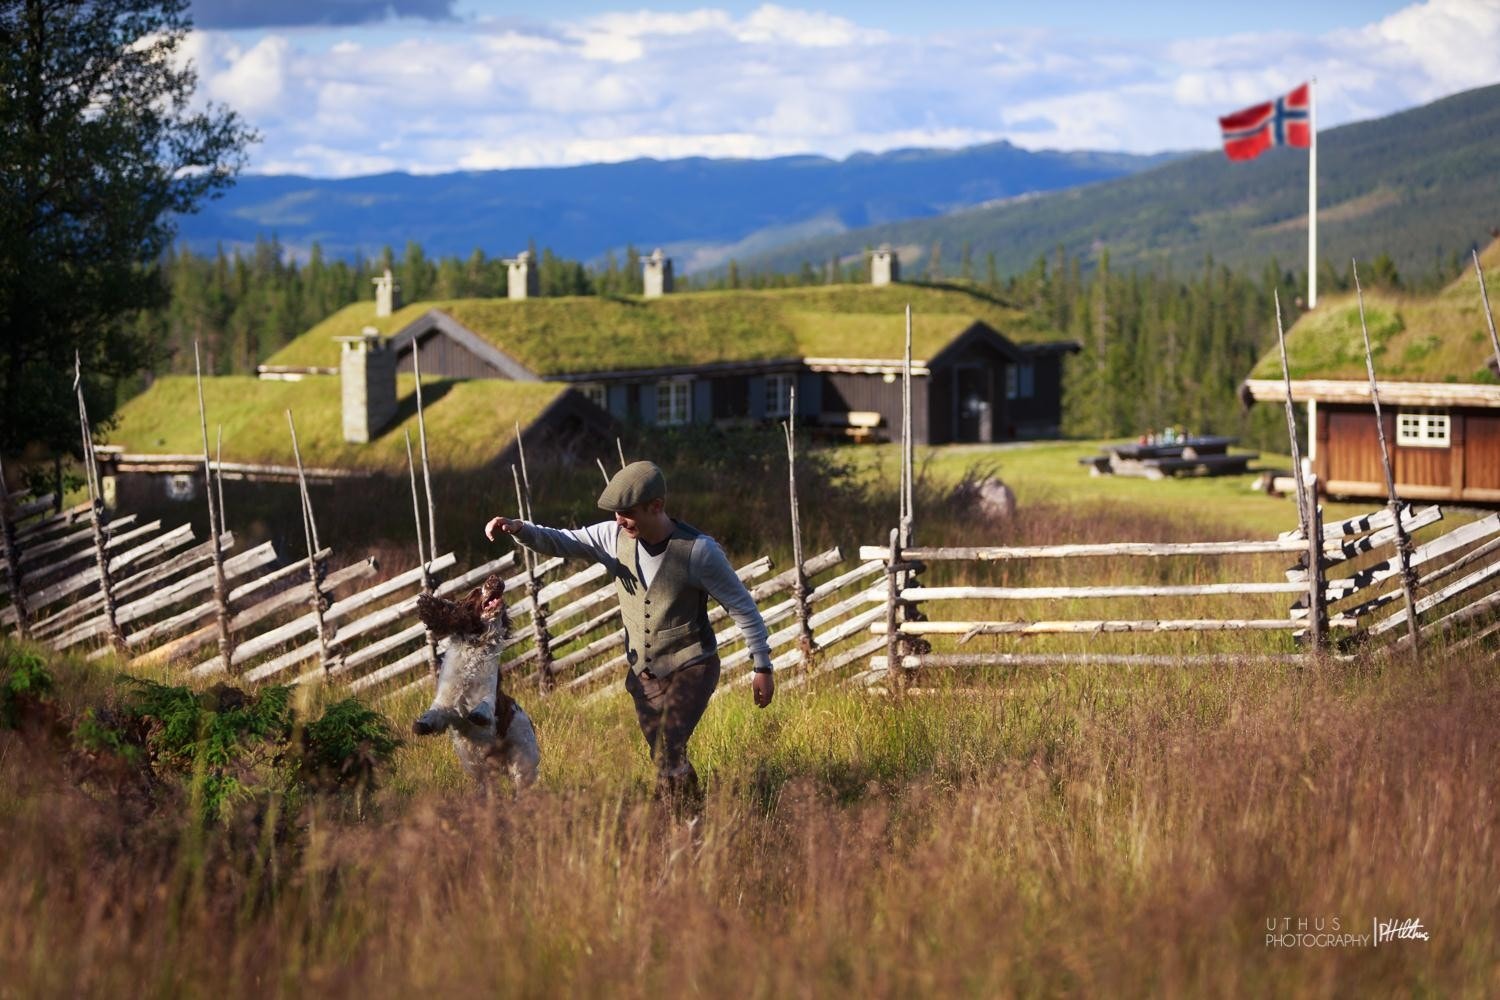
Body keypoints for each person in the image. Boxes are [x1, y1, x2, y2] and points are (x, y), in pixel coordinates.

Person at [485, 460, 774, 803]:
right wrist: (519, 529)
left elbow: (743, 608)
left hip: (692, 666)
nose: (620, 520)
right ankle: (688, 816)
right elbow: (561, 541)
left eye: (627, 513)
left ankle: (677, 818)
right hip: (645, 675)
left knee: (668, 745)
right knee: (665, 757)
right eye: (616, 514)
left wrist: (762, 666)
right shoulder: (613, 537)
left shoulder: (699, 551)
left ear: (656, 506)